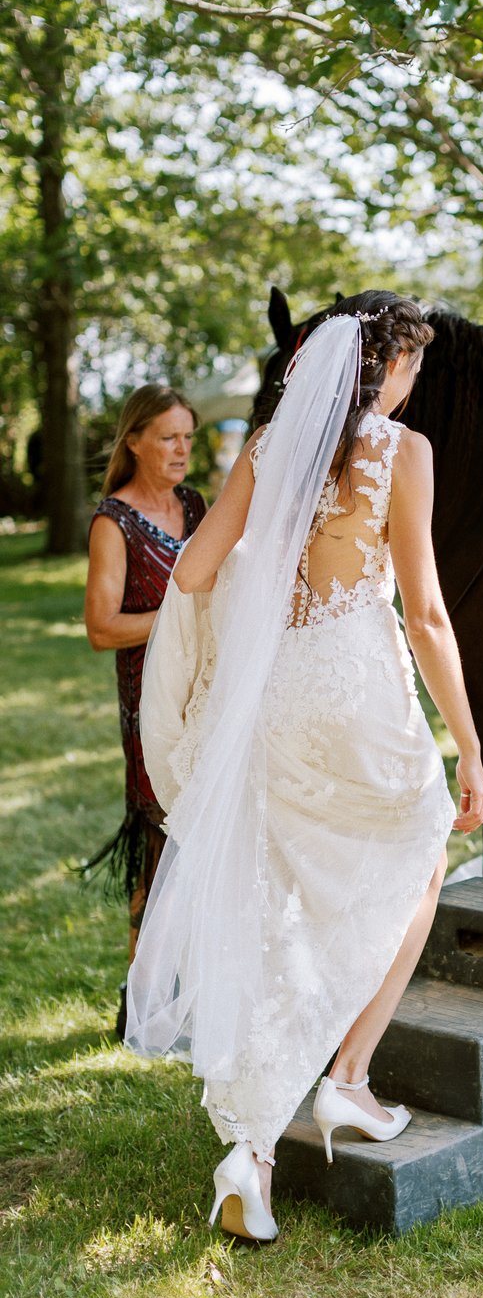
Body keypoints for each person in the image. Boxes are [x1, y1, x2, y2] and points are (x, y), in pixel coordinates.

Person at [127, 292, 483, 1243]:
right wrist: (471, 742)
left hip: (278, 694)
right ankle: (348, 1081)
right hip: (360, 689)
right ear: (387, 367)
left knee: (281, 891)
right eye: (413, 366)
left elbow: (197, 572)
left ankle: (251, 1151)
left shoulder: (267, 449)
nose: (416, 385)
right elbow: (427, 616)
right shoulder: (402, 454)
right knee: (418, 861)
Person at [84, 385, 206, 1038]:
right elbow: (102, 627)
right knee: (159, 839)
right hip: (148, 700)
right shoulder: (114, 520)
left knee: (204, 833)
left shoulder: (194, 504)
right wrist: (178, 617)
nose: (182, 449)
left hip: (205, 692)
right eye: (168, 437)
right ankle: (141, 1001)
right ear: (134, 441)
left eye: (188, 436)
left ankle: (196, 987)